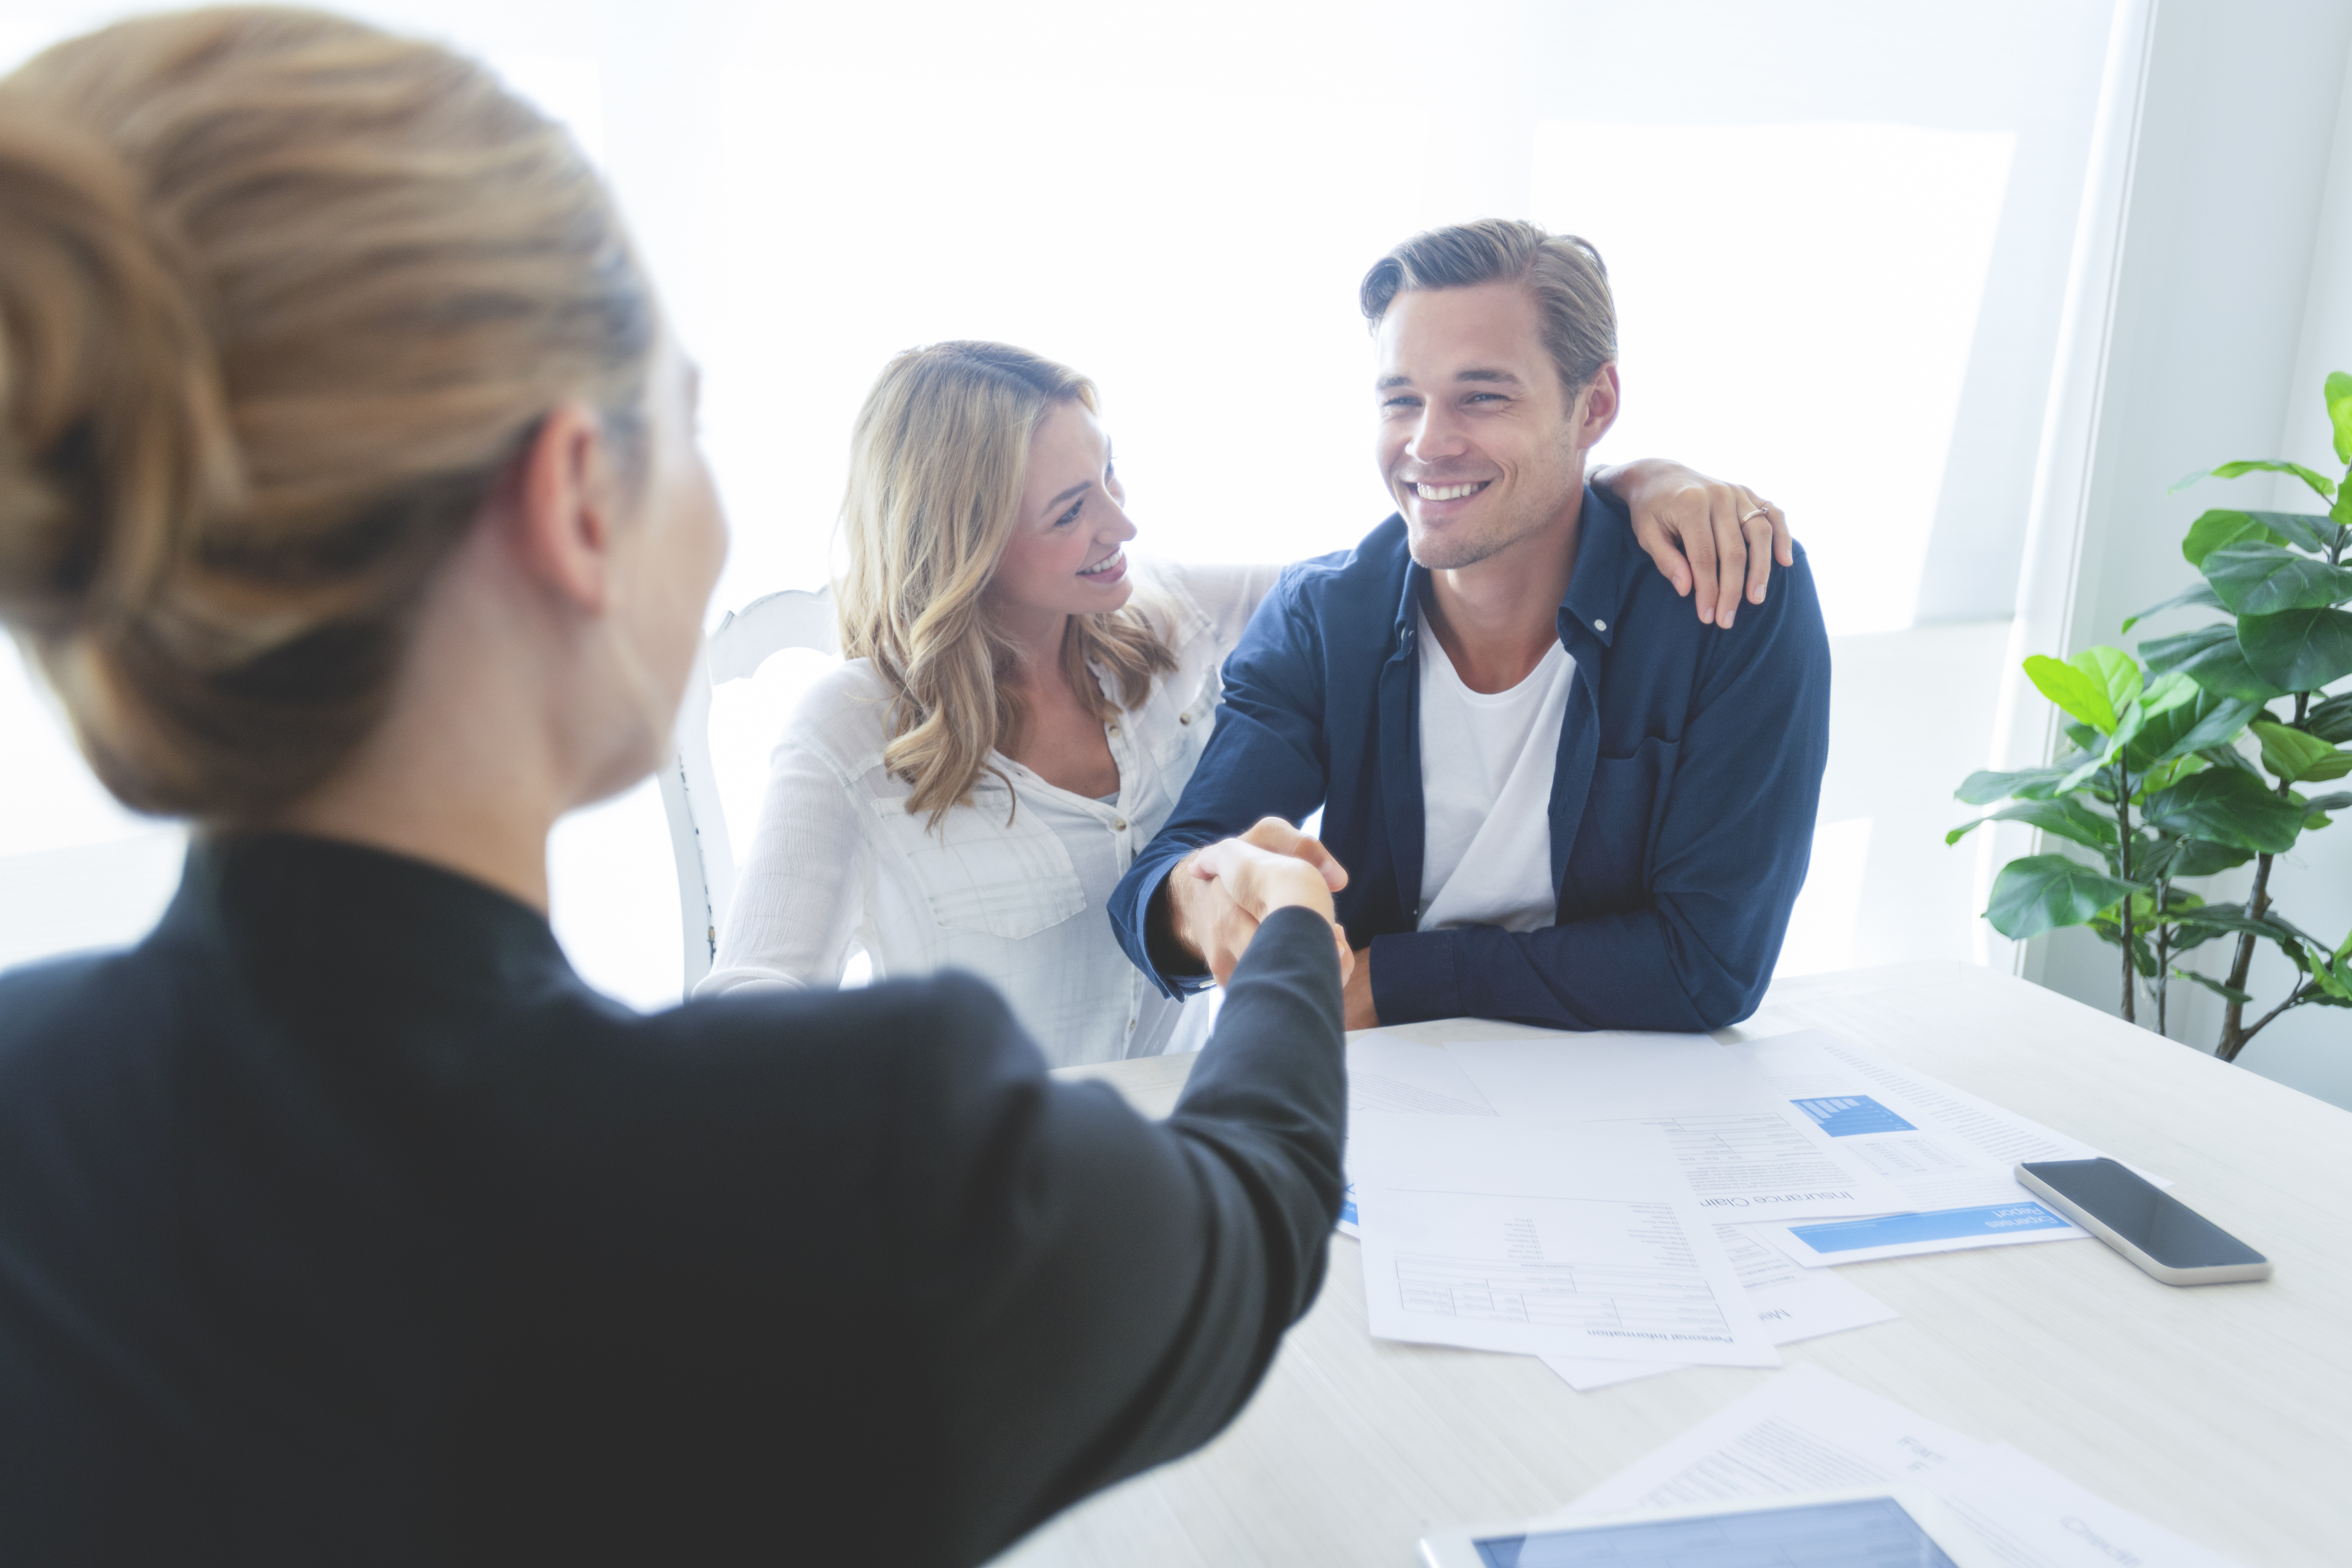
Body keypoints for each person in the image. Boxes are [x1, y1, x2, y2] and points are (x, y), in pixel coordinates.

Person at [0, 11, 1353, 1563]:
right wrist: (1285, 922)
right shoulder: (848, 1162)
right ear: (581, 501)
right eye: (686, 425)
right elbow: (1255, 1211)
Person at [700, 341, 1794, 1066]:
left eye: (1114, 480)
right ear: (964, 543)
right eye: (1073, 512)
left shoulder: (1162, 618)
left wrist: (1632, 480)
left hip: (1182, 1152)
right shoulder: (849, 733)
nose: (1122, 529)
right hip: (972, 1184)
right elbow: (749, 999)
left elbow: (1417, 561)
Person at [1111, 220, 1834, 1034]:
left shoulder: (1726, 596)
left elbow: (1708, 966)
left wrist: (1393, 979)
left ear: (1593, 407)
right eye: (1401, 401)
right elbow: (1155, 887)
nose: (1428, 443)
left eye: (1482, 396)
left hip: (1639, 1103)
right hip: (1390, 1103)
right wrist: (1203, 900)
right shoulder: (1323, 618)